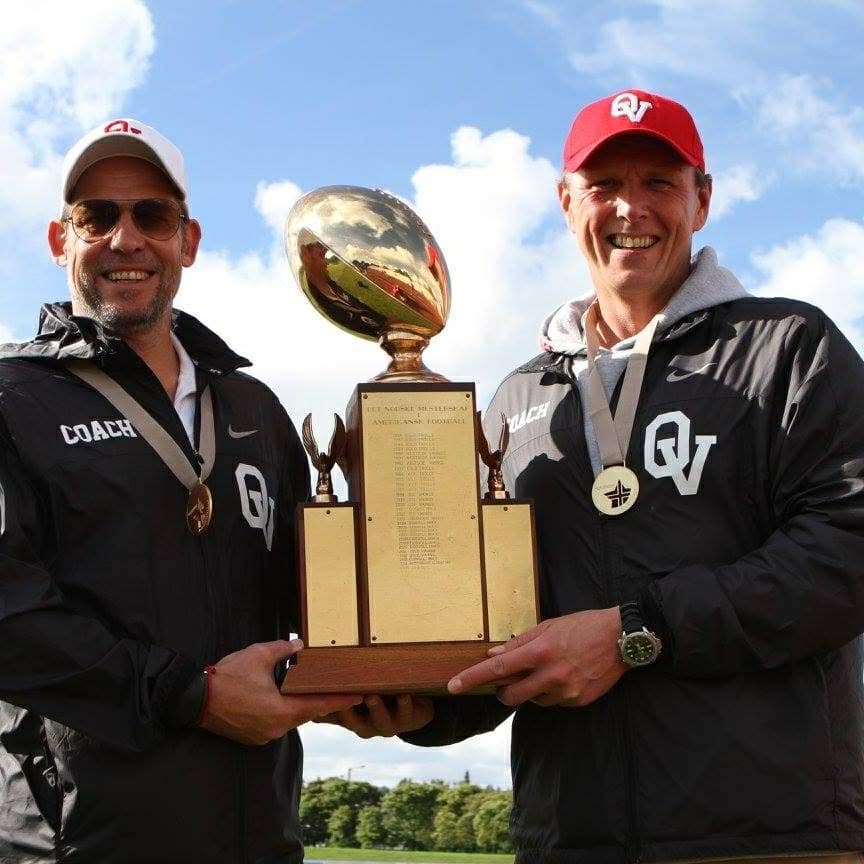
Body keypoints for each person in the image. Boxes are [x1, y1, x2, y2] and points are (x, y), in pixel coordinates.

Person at [325, 91, 864, 863]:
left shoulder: (789, 347)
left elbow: (845, 555)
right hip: (569, 833)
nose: (629, 208)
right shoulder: (519, 396)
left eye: (658, 183)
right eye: (605, 184)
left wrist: (638, 633)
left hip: (767, 833)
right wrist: (413, 698)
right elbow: (516, 621)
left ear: (701, 200)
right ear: (566, 200)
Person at [0, 118, 360, 863]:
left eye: (150, 216)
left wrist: (385, 676)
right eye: (96, 216)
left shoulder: (256, 411)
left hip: (257, 835)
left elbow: (307, 600)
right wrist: (189, 695)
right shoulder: (11, 399)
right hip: (76, 843)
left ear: (187, 241)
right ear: (60, 241)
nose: (124, 239)